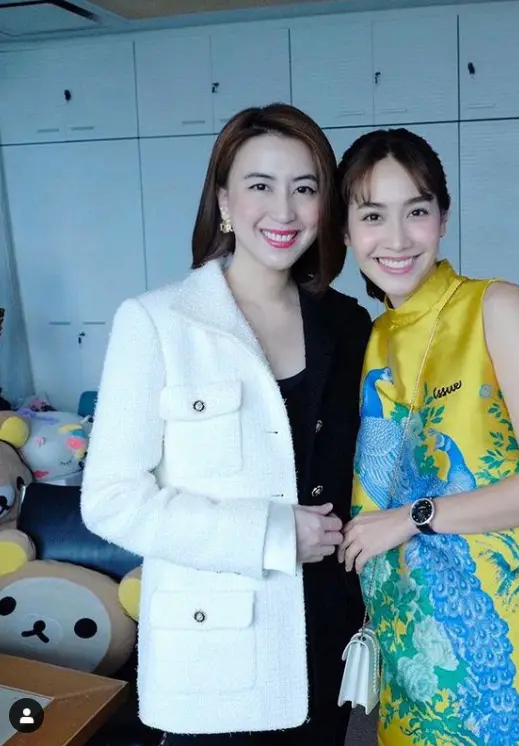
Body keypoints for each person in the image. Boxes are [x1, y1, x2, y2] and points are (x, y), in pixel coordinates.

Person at [80, 103, 372, 745]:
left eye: (305, 188)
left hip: (325, 633)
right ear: (223, 202)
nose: (284, 211)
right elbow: (111, 501)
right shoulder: (158, 322)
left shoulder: (349, 324)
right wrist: (269, 533)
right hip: (212, 651)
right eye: (260, 185)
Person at [335, 128, 519, 745]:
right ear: (346, 232)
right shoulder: (374, 338)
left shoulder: (495, 306)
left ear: (443, 218)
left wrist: (411, 517)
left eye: (416, 211)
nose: (396, 238)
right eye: (373, 216)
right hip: (417, 650)